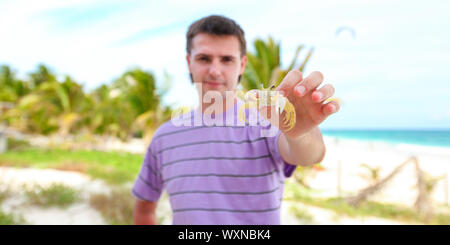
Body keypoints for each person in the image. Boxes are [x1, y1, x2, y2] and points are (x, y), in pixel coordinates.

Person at [132, 15, 339, 225]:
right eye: (204, 58)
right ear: (189, 62)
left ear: (242, 64)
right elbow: (144, 209)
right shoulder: (164, 136)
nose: (215, 70)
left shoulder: (266, 122)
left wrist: (298, 132)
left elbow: (310, 155)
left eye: (227, 59)